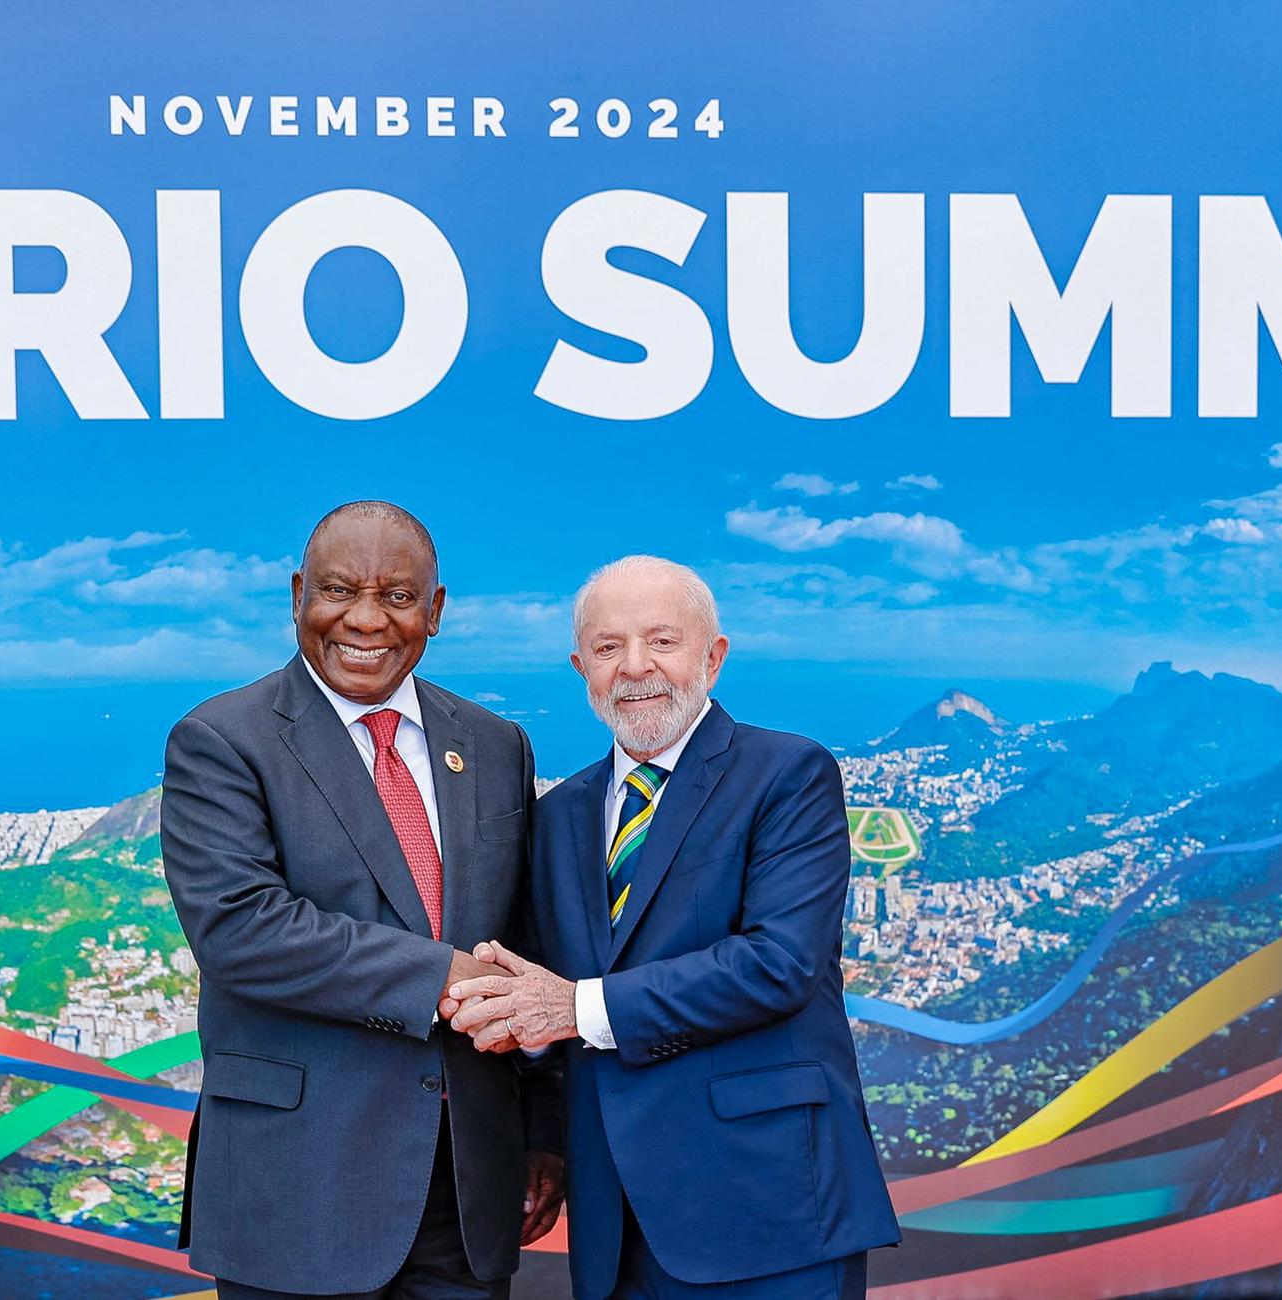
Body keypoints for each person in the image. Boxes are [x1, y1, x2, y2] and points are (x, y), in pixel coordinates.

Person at [444, 555, 899, 1299]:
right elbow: (541, 991)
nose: (635, 667)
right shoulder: (558, 817)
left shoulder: (789, 774)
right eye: (608, 647)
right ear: (579, 667)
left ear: (712, 657)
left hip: (767, 1205)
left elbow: (778, 964)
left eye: (662, 640)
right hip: (613, 1219)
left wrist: (579, 1008)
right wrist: (544, 1143)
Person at [161, 501, 564, 1299]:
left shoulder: (493, 743)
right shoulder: (221, 739)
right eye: (340, 591)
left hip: (469, 1193)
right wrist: (444, 978)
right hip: (300, 1190)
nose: (367, 620)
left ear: (437, 611)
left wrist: (542, 1133)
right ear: (297, 595)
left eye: (399, 597)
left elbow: (529, 946)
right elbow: (243, 930)